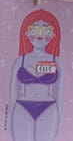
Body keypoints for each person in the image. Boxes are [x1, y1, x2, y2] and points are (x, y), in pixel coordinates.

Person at [10, 9, 63, 141]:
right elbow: (13, 91)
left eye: (46, 30)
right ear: (26, 33)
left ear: (53, 35)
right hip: (22, 106)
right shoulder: (20, 60)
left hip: (49, 108)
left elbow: (59, 92)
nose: (40, 34)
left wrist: (59, 118)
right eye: (34, 29)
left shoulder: (56, 61)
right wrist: (11, 112)